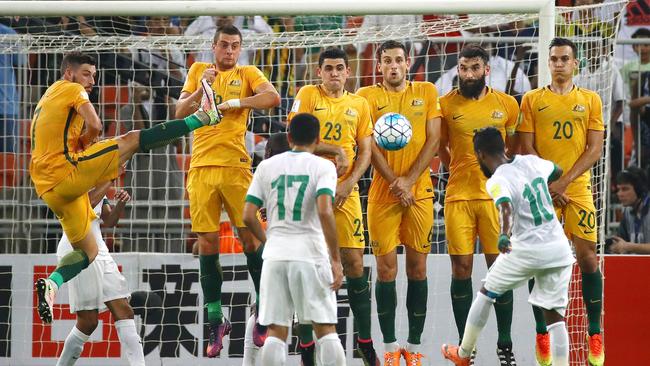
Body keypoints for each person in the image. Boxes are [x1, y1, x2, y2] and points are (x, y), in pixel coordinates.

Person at [32, 51, 221, 325]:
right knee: (132, 139)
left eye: (95, 75)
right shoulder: (72, 89)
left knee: (89, 251)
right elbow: (96, 125)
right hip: (65, 171)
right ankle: (203, 118)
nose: (92, 80)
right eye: (86, 74)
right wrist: (87, 143)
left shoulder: (48, 95)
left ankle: (51, 285)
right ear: (68, 73)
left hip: (49, 189)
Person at [175, 24, 281, 357]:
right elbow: (178, 114)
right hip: (202, 168)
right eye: (224, 45)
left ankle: (263, 310)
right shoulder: (197, 71)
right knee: (206, 244)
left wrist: (239, 100)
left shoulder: (247, 72)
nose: (229, 51)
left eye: (235, 46)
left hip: (236, 167)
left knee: (250, 237)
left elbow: (273, 97)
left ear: (240, 48)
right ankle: (215, 320)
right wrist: (200, 89)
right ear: (213, 45)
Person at [441, 127, 575, 366]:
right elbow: (558, 170)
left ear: (480, 155)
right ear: (504, 146)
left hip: (526, 249)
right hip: (558, 248)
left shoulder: (497, 180)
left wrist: (503, 235)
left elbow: (505, 207)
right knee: (555, 319)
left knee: (486, 293)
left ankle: (463, 355)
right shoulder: (531, 161)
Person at [517, 37, 605, 366]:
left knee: (588, 258)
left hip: (577, 188)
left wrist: (564, 181)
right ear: (548, 63)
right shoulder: (531, 100)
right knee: (536, 261)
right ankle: (542, 330)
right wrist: (549, 181)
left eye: (564, 58)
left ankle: (594, 332)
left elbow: (594, 149)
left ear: (575, 63)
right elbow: (526, 147)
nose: (558, 64)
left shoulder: (591, 100)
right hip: (540, 189)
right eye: (553, 59)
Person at [288, 46, 377, 366]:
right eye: (328, 68)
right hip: (311, 191)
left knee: (354, 264)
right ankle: (307, 347)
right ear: (319, 71)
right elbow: (295, 138)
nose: (334, 73)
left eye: (340, 68)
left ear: (348, 72)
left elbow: (365, 150)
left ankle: (365, 342)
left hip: (346, 192)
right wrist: (334, 152)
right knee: (311, 268)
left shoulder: (360, 104)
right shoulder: (309, 95)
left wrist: (350, 182)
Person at [356, 40, 441, 366]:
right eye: (387, 61)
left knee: (418, 268)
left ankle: (414, 346)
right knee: (386, 269)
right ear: (379, 66)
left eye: (398, 60)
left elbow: (433, 139)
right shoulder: (367, 97)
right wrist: (395, 181)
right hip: (382, 194)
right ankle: (391, 347)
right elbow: (368, 146)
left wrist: (409, 180)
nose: (393, 66)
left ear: (408, 64)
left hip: (419, 193)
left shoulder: (427, 92)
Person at [437, 44, 520, 365]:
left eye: (474, 68)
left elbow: (511, 149)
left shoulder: (507, 105)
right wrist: (457, 168)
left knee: (501, 272)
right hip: (458, 197)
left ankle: (505, 344)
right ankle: (464, 348)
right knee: (461, 271)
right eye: (462, 67)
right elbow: (440, 147)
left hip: (495, 201)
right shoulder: (444, 105)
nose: (467, 74)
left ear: (487, 70)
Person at [242, 113, 345, 366]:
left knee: (276, 331)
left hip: (275, 257)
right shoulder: (323, 167)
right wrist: (335, 259)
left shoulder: (267, 166)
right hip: (310, 254)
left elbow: (247, 215)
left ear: (289, 138)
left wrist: (269, 240)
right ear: (318, 139)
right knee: (325, 329)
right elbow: (324, 210)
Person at [56, 182, 145, 366]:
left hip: (100, 249)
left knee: (125, 311)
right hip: (78, 248)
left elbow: (109, 221)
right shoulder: (74, 174)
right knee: (88, 322)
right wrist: (109, 179)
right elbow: (85, 206)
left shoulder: (98, 179)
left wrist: (120, 203)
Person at [242, 132, 291, 366]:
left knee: (265, 314)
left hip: (269, 253)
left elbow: (247, 217)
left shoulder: (260, 176)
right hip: (298, 252)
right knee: (296, 324)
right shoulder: (303, 172)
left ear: (268, 153)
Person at [610, 167, 650, 254]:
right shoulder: (627, 212)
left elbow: (626, 246)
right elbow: (621, 242)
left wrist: (629, 247)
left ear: (639, 189)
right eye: (618, 189)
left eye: (625, 189)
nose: (619, 194)